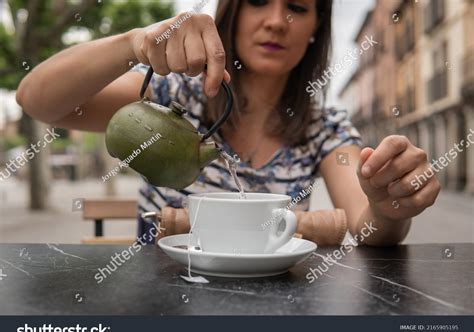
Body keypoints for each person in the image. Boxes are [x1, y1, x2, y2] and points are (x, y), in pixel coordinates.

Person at [16, 0, 440, 246]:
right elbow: (36, 100)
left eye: (296, 6)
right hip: (157, 302)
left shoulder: (323, 129)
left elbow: (369, 223)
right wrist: (132, 43)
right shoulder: (169, 98)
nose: (276, 20)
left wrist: (390, 206)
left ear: (316, 30)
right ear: (231, 13)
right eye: (258, 0)